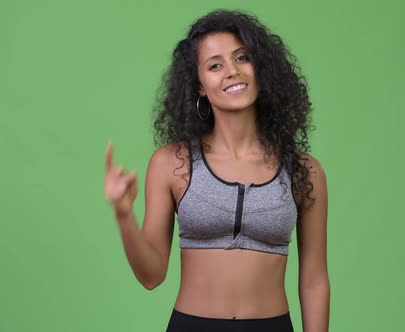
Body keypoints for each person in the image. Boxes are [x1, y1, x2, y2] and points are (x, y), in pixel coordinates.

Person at [103, 9, 329, 332]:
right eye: (215, 65)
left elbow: (314, 281)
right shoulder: (172, 164)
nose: (232, 72)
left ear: (260, 70)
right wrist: (124, 215)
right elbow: (152, 276)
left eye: (242, 58)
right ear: (199, 86)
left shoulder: (304, 171)